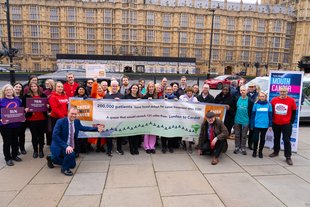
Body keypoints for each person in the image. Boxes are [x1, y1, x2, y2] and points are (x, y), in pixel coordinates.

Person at [46, 107, 104, 176]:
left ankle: (51, 158)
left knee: (72, 165)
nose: (73, 115)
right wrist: (66, 146)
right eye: (72, 113)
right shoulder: (60, 122)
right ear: (68, 113)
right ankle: (64, 169)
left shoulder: (76, 122)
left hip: (70, 146)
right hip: (60, 145)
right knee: (70, 154)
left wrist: (96, 129)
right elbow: (55, 136)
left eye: (75, 114)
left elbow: (84, 128)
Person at [269, 86, 297, 166]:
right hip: (276, 123)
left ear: (287, 92)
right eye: (281, 91)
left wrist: (290, 122)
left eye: (284, 91)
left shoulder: (291, 100)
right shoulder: (274, 100)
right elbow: (271, 111)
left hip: (286, 124)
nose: (282, 93)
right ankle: (276, 151)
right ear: (279, 91)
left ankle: (288, 156)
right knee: (276, 138)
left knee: (286, 140)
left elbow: (294, 112)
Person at [23, 82, 48, 158]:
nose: (33, 87)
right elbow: (23, 107)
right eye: (32, 86)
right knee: (34, 135)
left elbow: (47, 106)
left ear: (38, 87)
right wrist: (25, 109)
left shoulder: (43, 95)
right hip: (31, 119)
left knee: (41, 135)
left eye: (35, 86)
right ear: (30, 88)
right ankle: (35, 151)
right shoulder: (27, 96)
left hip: (42, 118)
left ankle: (41, 150)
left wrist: (47, 106)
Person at [0, 84, 23, 166]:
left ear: (13, 91)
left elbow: (20, 111)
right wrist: (0, 118)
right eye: (7, 90)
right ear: (4, 91)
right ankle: (8, 158)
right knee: (7, 142)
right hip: (5, 125)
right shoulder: (1, 100)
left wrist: (24, 112)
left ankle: (14, 155)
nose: (9, 91)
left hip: (16, 124)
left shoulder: (17, 100)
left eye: (10, 89)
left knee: (15, 141)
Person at [104, 80, 124, 156]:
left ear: (118, 87)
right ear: (110, 87)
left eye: (116, 86)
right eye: (113, 86)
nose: (114, 87)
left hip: (119, 118)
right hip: (109, 119)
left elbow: (127, 106)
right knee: (109, 134)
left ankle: (119, 148)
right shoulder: (106, 96)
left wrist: (120, 102)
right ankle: (109, 149)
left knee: (119, 134)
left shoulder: (121, 96)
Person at [250, 92, 272, 158]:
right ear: (258, 97)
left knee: (262, 139)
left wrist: (270, 125)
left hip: (265, 125)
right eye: (261, 96)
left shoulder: (269, 105)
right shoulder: (255, 104)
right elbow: (253, 115)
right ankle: (254, 151)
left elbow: (270, 116)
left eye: (263, 96)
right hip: (256, 125)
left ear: (265, 97)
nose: (262, 97)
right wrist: (251, 124)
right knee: (256, 139)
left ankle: (260, 152)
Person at [233, 86, 253, 155]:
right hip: (237, 120)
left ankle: (243, 148)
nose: (242, 92)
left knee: (244, 135)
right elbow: (234, 108)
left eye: (244, 90)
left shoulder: (250, 100)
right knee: (237, 135)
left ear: (247, 91)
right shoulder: (237, 98)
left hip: (245, 120)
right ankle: (237, 147)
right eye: (241, 90)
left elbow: (251, 111)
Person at [179, 86, 199, 153]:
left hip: (191, 117)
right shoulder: (182, 97)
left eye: (190, 92)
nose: (189, 93)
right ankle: (184, 144)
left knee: (191, 131)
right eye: (188, 92)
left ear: (192, 92)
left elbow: (197, 107)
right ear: (186, 92)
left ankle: (190, 145)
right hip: (184, 116)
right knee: (184, 130)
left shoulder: (195, 99)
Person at [125, 84, 141, 155]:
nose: (135, 89)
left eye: (136, 88)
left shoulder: (140, 97)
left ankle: (136, 148)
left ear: (138, 89)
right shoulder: (126, 96)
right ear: (131, 89)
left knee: (137, 134)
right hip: (129, 118)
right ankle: (131, 148)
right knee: (131, 134)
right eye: (133, 88)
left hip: (137, 117)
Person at [142, 81, 158, 154]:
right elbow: (140, 101)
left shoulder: (156, 95)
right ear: (148, 88)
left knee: (153, 132)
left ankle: (152, 146)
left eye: (152, 87)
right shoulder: (145, 95)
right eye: (150, 87)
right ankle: (146, 146)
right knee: (147, 132)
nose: (151, 88)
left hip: (154, 116)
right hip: (146, 116)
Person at [161, 85, 177, 153]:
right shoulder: (162, 97)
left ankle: (170, 146)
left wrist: (177, 101)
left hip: (172, 117)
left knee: (171, 132)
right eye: (167, 90)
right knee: (163, 133)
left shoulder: (175, 97)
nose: (169, 91)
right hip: (163, 117)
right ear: (165, 90)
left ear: (172, 90)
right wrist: (162, 101)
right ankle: (164, 146)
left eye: (170, 90)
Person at [13, 82, 27, 155]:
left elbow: (25, 106)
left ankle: (22, 148)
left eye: (19, 87)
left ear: (21, 89)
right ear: (13, 87)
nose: (18, 88)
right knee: (15, 135)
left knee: (22, 134)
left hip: (22, 118)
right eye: (16, 87)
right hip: (13, 119)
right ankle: (16, 149)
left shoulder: (23, 97)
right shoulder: (10, 97)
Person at [247, 82, 259, 150]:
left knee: (252, 131)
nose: (251, 88)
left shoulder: (257, 95)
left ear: (255, 87)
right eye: (250, 87)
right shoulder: (246, 94)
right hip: (246, 114)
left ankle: (250, 144)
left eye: (252, 87)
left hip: (254, 115)